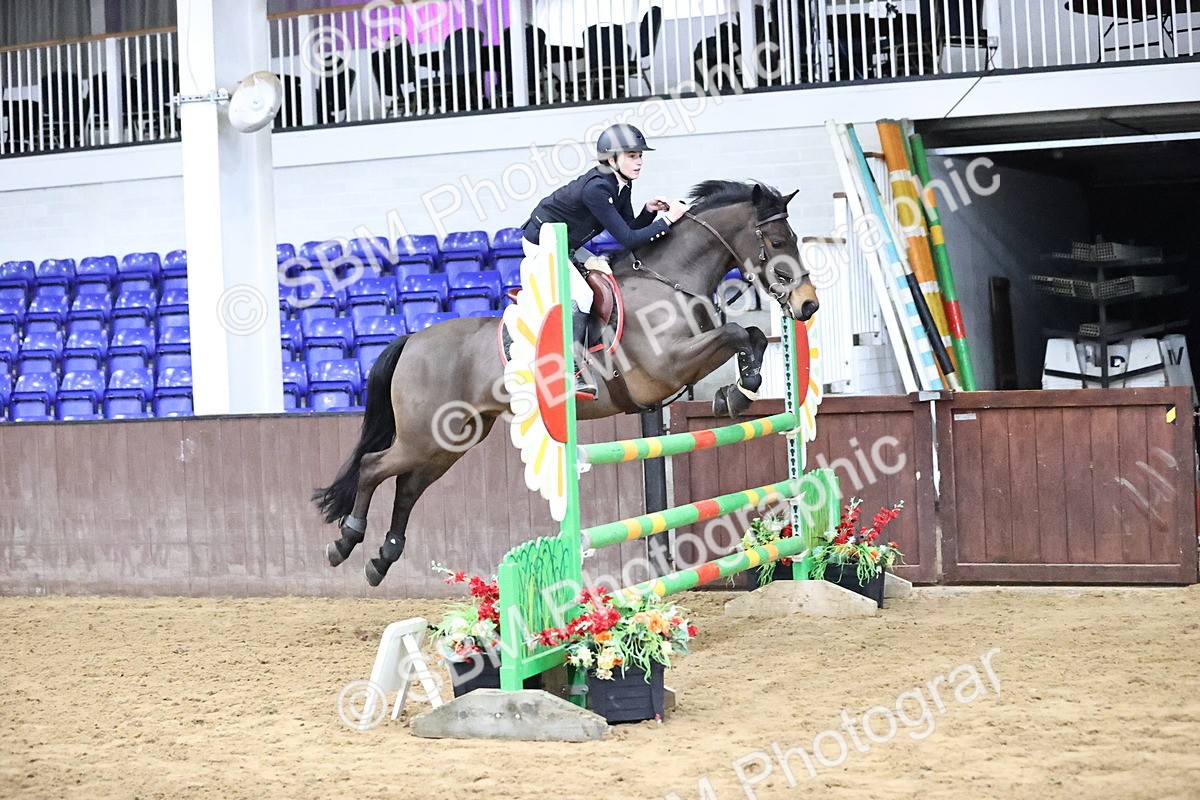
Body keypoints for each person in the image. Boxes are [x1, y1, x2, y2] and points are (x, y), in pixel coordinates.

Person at [521, 123, 689, 398]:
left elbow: (630, 227)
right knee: (583, 296)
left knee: (607, 278)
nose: (639, 161)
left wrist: (649, 211)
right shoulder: (597, 188)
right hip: (544, 242)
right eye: (632, 156)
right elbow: (629, 240)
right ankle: (569, 371)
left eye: (640, 155)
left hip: (568, 243)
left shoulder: (621, 183)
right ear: (612, 159)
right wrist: (669, 220)